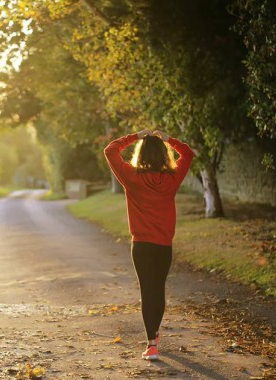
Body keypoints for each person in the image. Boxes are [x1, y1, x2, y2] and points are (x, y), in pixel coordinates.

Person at [104, 129, 195, 360]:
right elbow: (188, 153)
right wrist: (169, 139)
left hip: (141, 246)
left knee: (147, 291)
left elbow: (110, 150)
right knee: (158, 289)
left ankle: (152, 343)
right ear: (164, 154)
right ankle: (154, 333)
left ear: (141, 154)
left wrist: (135, 136)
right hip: (163, 245)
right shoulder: (172, 178)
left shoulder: (131, 177)